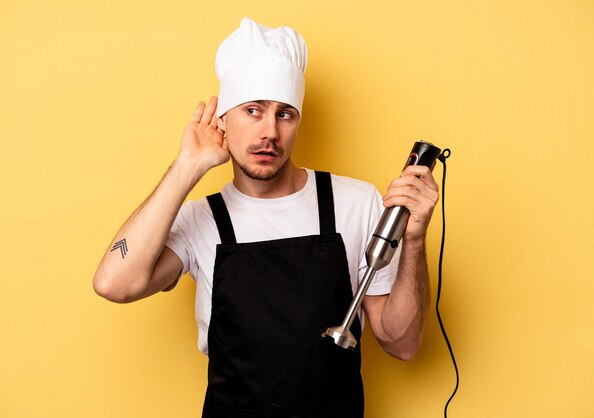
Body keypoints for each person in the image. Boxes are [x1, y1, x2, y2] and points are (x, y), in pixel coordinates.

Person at [93, 17, 439, 418]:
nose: (269, 132)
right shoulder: (201, 220)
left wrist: (414, 239)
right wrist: (187, 166)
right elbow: (114, 284)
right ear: (222, 119)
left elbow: (402, 344)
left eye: (284, 114)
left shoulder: (355, 203)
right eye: (253, 111)